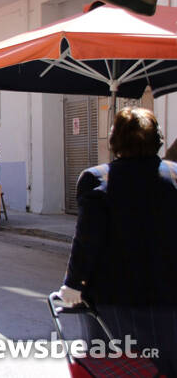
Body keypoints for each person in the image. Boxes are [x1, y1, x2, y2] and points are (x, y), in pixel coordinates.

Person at [59, 108, 177, 375]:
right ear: (157, 139)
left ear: (115, 141)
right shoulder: (174, 175)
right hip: (169, 295)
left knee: (115, 365)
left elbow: (87, 239)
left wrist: (73, 284)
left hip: (115, 297)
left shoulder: (97, 178)